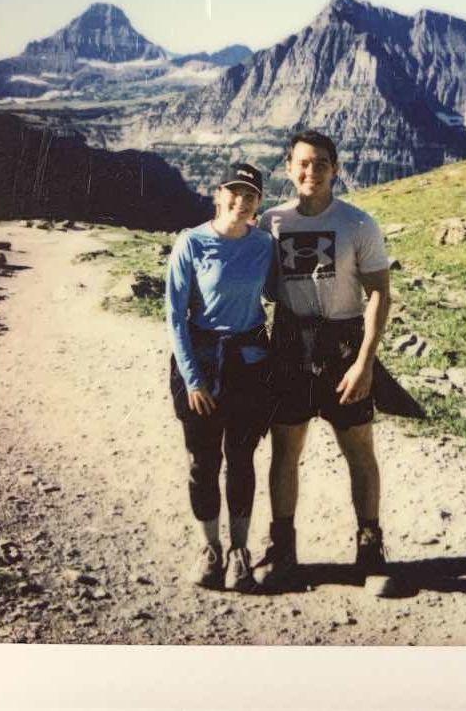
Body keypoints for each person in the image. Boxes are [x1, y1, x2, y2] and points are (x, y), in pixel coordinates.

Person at [254, 130, 393, 591]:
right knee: (285, 451)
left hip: (344, 344)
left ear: (335, 168)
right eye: (302, 163)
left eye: (319, 164)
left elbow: (378, 293)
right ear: (288, 168)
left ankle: (370, 549)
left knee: (359, 450)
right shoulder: (271, 222)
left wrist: (365, 362)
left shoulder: (358, 224)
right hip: (291, 343)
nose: (310, 172)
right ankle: (283, 548)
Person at [165, 162, 276, 591]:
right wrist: (192, 380)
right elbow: (175, 316)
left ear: (258, 204)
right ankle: (210, 548)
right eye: (233, 192)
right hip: (203, 361)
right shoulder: (190, 243)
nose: (240, 201)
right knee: (203, 461)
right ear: (218, 194)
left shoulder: (264, 244)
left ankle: (240, 551)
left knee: (242, 459)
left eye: (249, 196)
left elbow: (278, 293)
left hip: (248, 363)